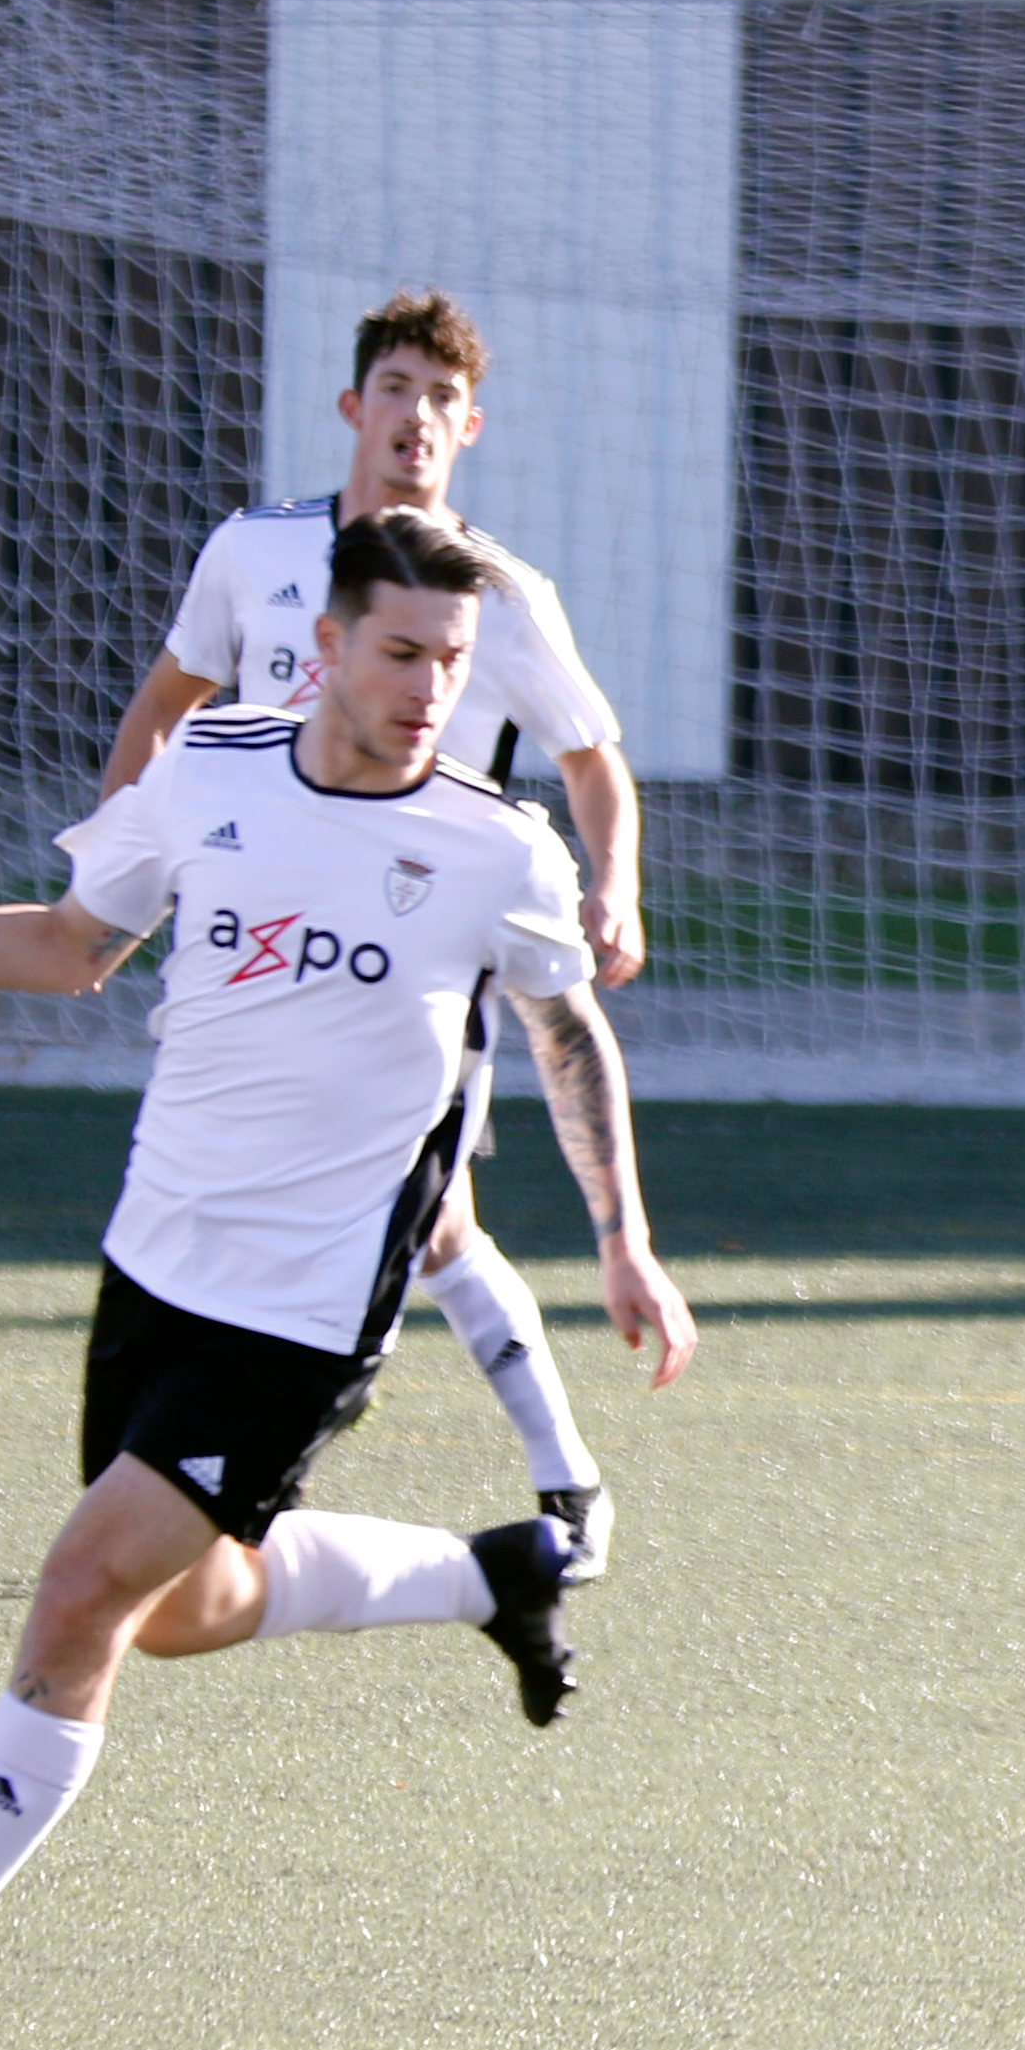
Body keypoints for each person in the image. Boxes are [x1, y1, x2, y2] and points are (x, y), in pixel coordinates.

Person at [0, 508, 696, 2036]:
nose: (425, 686)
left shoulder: (492, 849)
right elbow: (76, 944)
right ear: (327, 644)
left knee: (80, 1589)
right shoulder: (207, 774)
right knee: (179, 1605)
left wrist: (623, 1237)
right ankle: (495, 1573)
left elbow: (563, 1026)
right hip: (155, 1257)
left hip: (306, 1309)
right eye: (398, 651)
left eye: (451, 663)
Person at [102, 289, 640, 1580]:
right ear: (353, 407)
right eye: (396, 389)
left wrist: (612, 885)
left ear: (470, 431)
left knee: (435, 1218)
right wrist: (129, 868)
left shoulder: (499, 597)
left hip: (415, 955)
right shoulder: (252, 554)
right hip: (256, 945)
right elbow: (162, 710)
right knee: (243, 1183)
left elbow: (592, 757)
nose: (415, 418)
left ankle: (564, 1489)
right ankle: (170, 1466)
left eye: (442, 400)